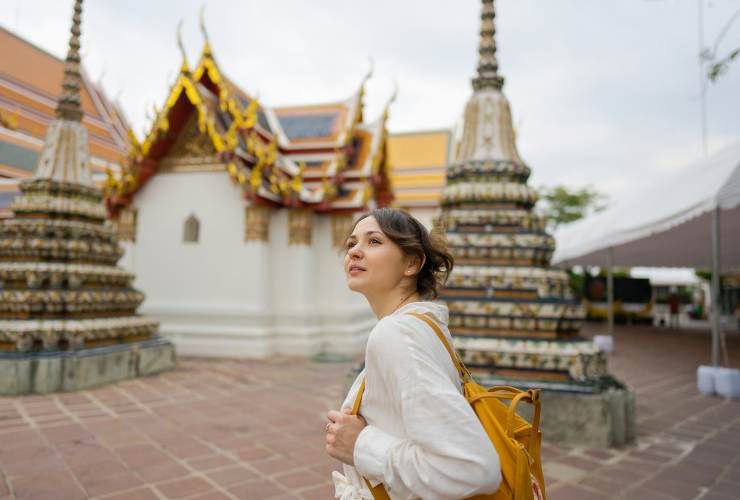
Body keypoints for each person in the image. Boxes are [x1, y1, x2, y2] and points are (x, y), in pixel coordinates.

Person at [325, 207, 502, 500]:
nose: (354, 252)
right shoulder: (421, 325)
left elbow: (472, 468)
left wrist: (360, 444)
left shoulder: (398, 333)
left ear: (411, 263)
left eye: (374, 242)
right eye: (352, 243)